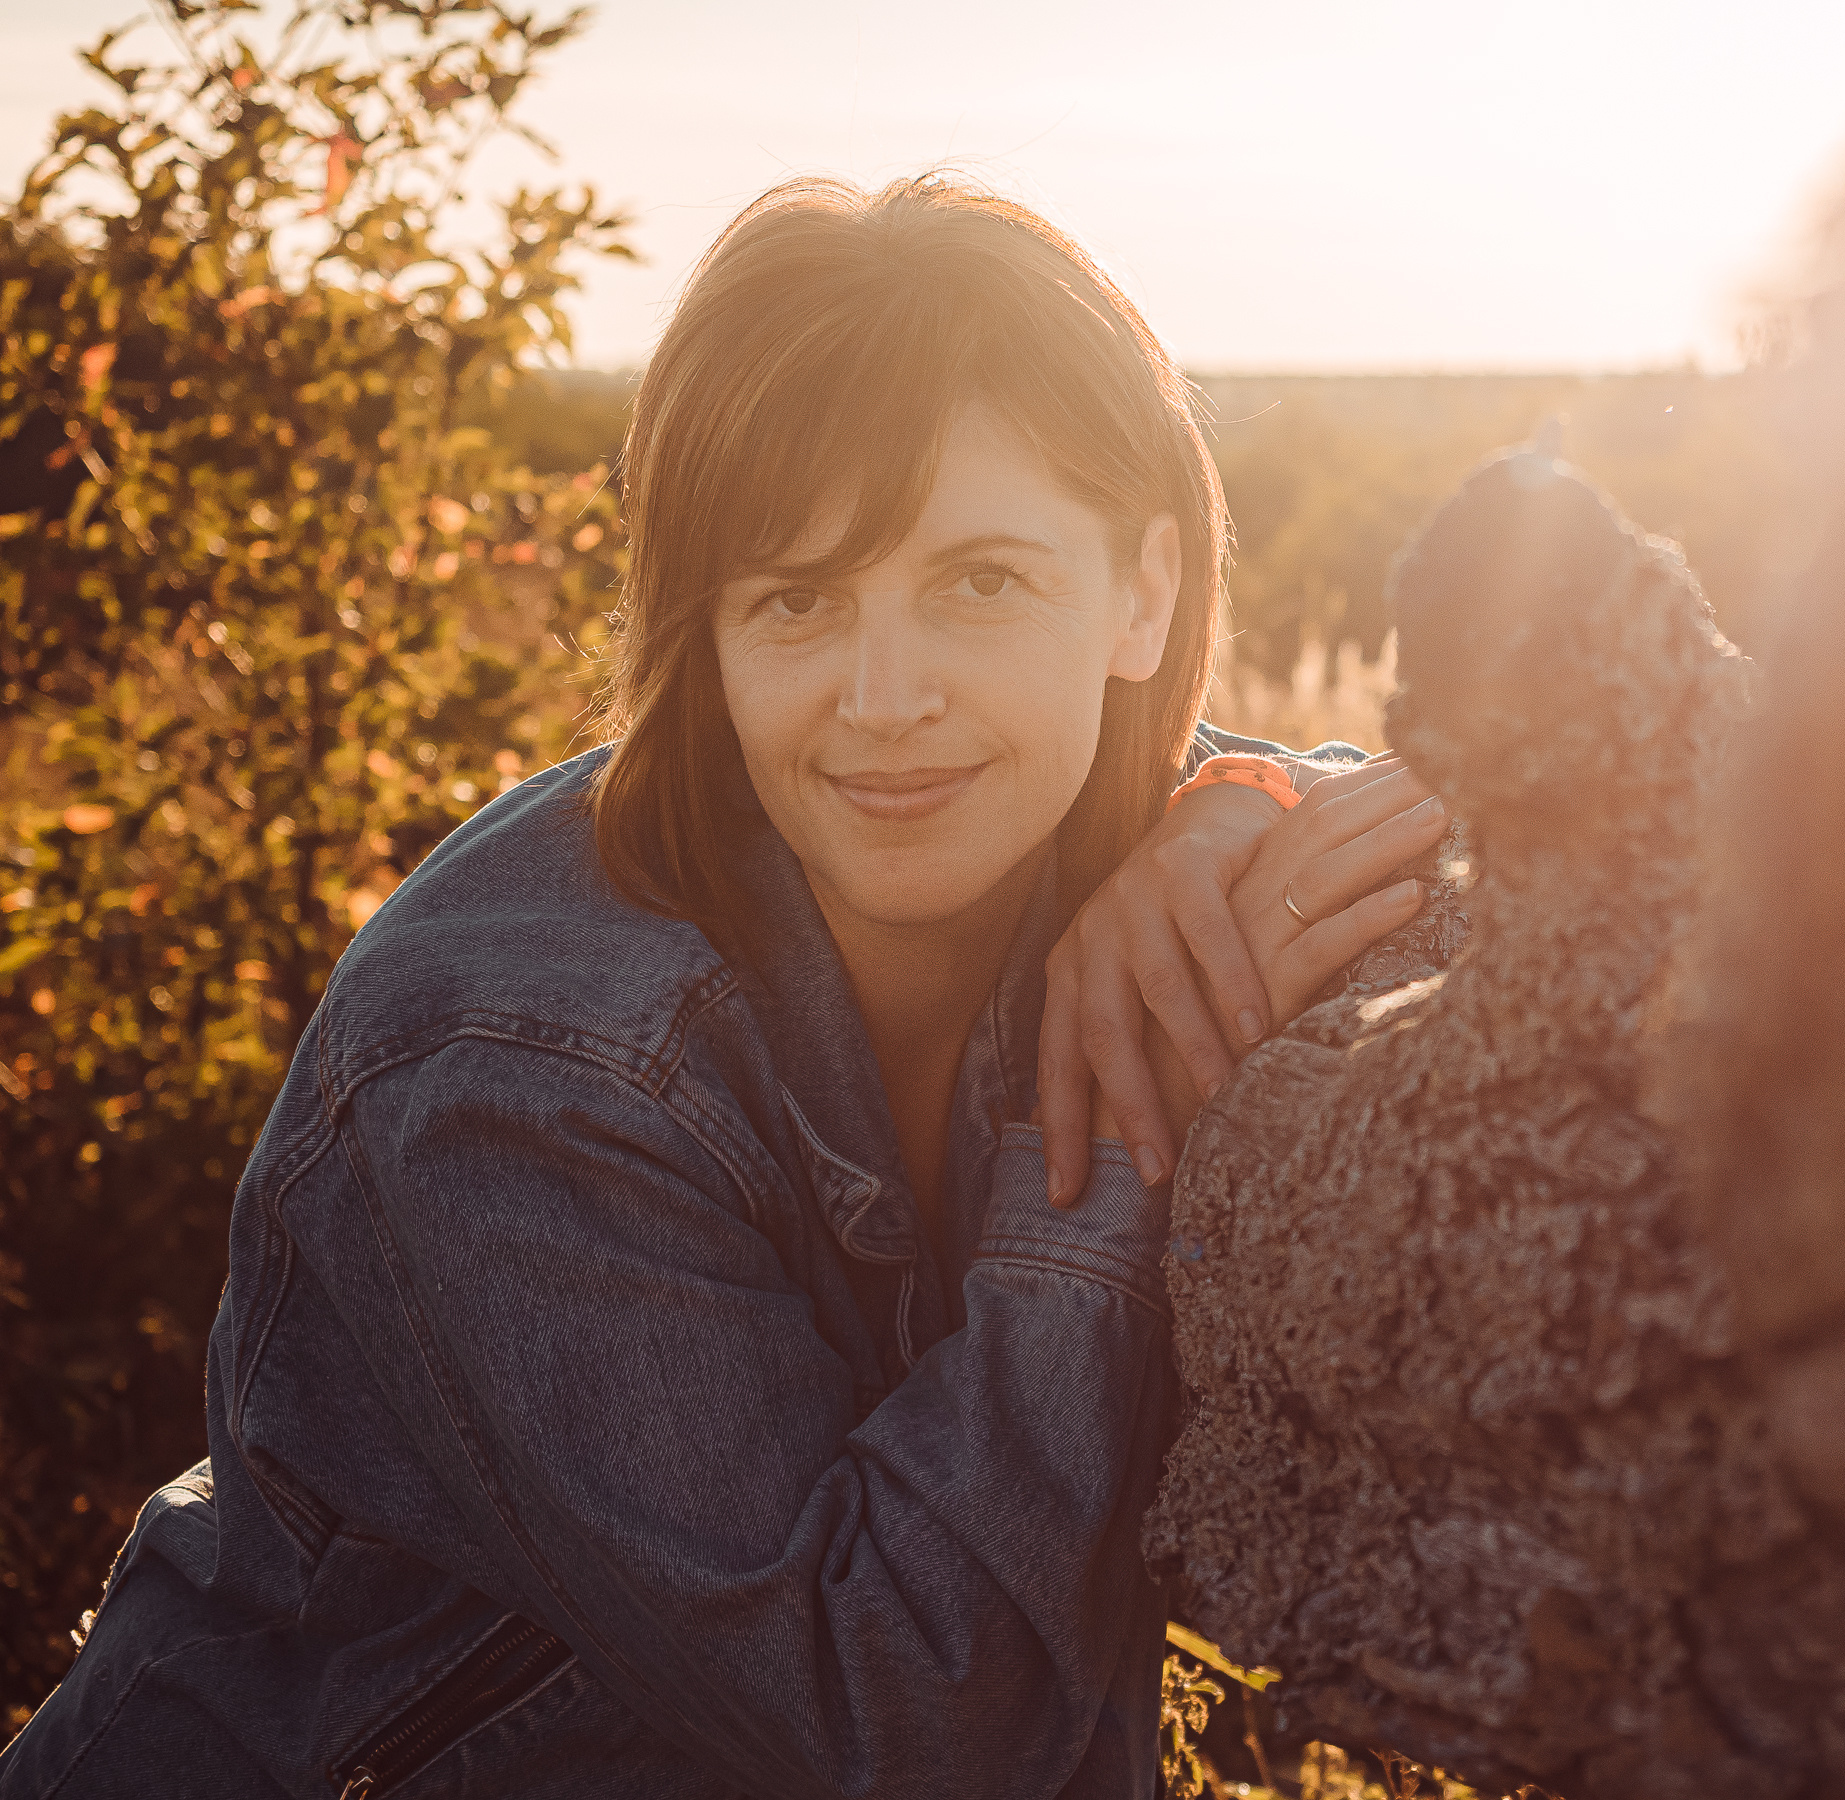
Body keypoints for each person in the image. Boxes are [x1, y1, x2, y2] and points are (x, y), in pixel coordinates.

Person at [0, 175, 1448, 1799]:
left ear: (1145, 593)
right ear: (709, 629)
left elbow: (1539, 804)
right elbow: (902, 1717)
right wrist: (1120, 1123)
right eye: (796, 599)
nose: (884, 697)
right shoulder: (512, 1069)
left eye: (980, 580)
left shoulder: (1101, 835)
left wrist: (1237, 808)